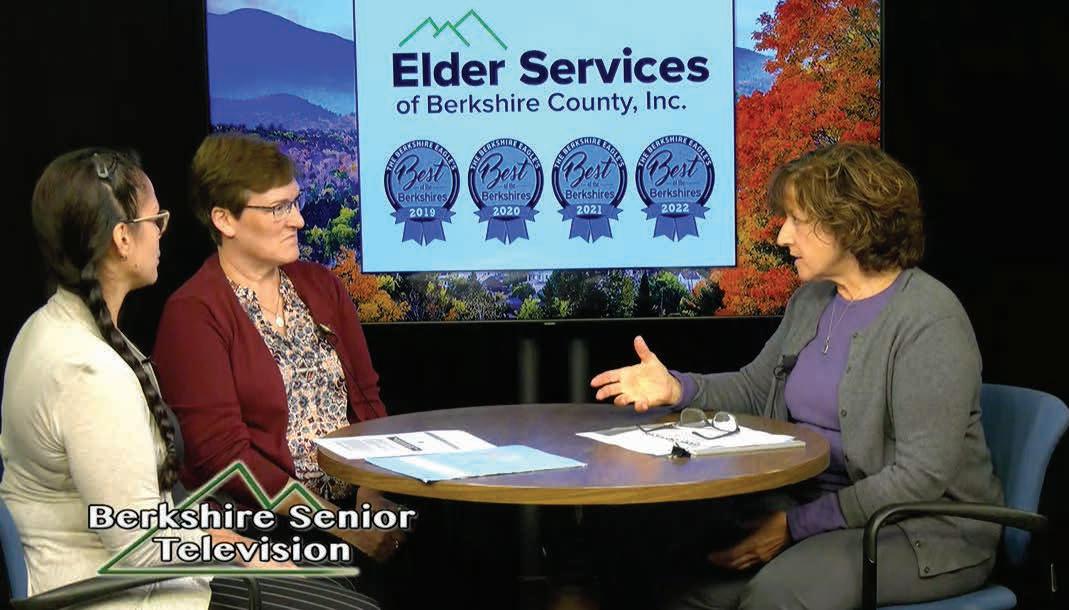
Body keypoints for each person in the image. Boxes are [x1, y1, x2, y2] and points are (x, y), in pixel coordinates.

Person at [590, 143, 1003, 610]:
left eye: (797, 220)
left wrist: (792, 528)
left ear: (851, 224)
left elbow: (918, 478)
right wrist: (677, 387)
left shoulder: (929, 320)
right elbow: (755, 389)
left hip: (919, 530)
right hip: (810, 509)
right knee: (683, 582)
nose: (782, 235)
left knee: (776, 596)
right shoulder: (812, 301)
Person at [0, 148, 378, 609]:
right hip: (119, 594)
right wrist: (246, 551)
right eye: (155, 220)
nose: (163, 234)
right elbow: (141, 550)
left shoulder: (51, 328)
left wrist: (220, 538)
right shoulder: (88, 372)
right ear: (123, 238)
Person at [151, 134, 405, 596]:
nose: (299, 220)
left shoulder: (321, 285)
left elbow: (367, 399)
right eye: (278, 209)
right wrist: (341, 525)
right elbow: (225, 459)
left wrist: (371, 495)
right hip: (264, 529)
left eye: (295, 202)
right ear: (224, 219)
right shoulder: (193, 313)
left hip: (353, 506)